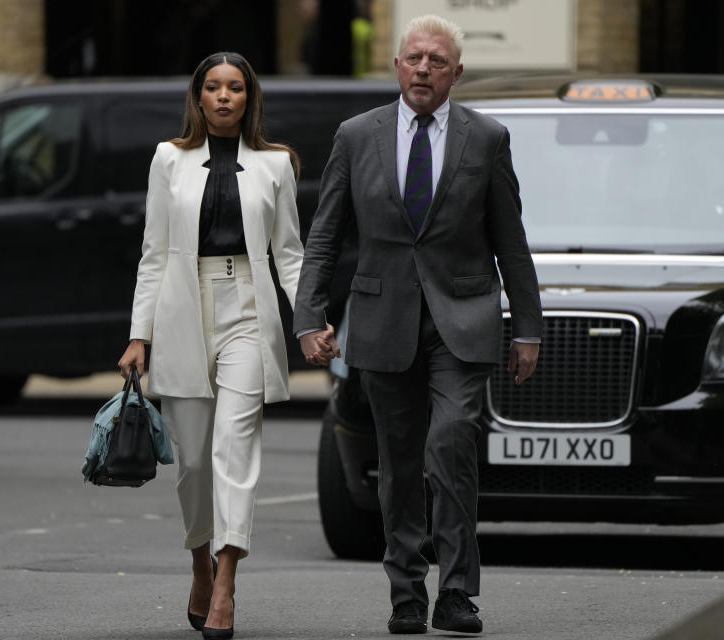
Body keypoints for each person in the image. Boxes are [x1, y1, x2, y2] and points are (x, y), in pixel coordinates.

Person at [294, 14, 542, 635]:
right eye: (413, 59)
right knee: (399, 461)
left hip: (464, 316)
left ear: (456, 72)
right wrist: (308, 316)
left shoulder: (486, 138)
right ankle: (406, 590)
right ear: (396, 67)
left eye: (436, 60)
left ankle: (456, 590)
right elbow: (324, 236)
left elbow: (511, 242)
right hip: (382, 318)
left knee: (450, 441)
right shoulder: (357, 135)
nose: (423, 69)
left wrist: (527, 328)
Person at [118, 51, 336, 640]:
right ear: (197, 96)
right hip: (182, 308)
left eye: (234, 87)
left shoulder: (276, 164)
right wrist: (140, 336)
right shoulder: (169, 158)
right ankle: (199, 560)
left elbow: (290, 253)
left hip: (248, 305)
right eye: (212, 87)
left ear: (249, 97)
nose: (222, 97)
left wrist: (310, 319)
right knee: (191, 462)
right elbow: (155, 253)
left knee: (234, 451)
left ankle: (226, 584)